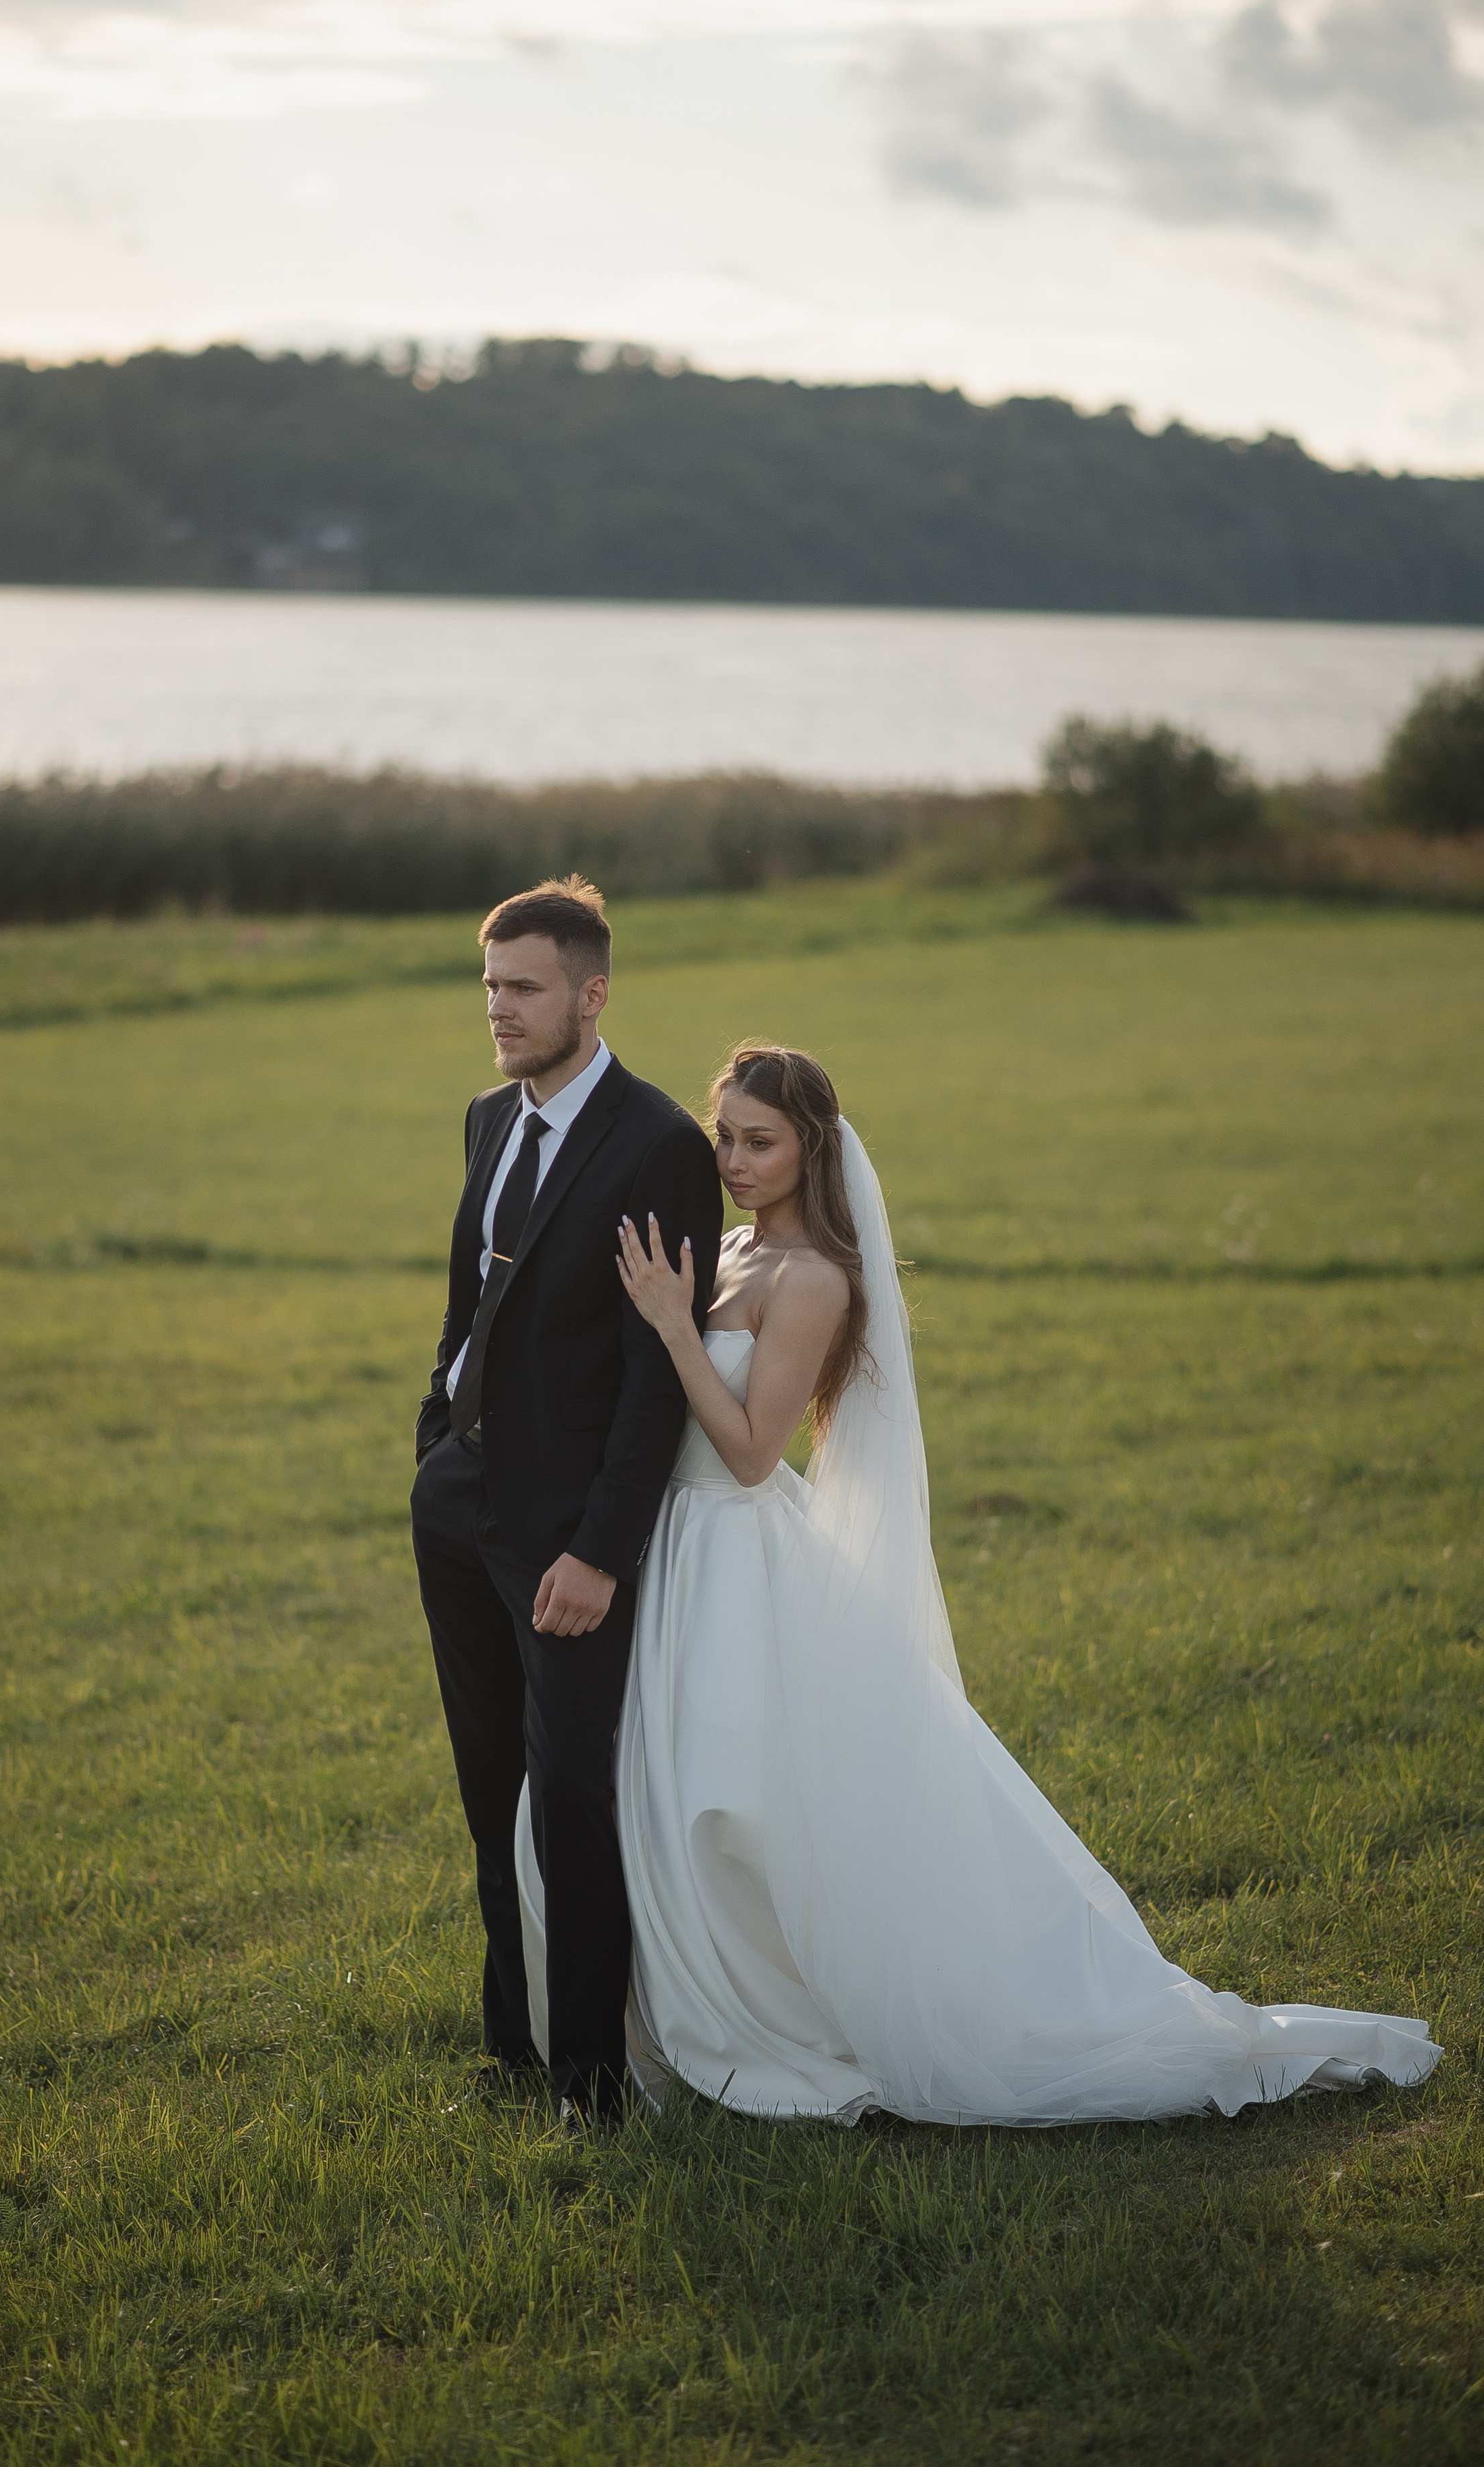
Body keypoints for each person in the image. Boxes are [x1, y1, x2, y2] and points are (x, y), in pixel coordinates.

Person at [519, 1042, 1440, 2125]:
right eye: (724, 1137)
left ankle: (780, 2021)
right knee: (653, 1802)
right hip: (669, 1551)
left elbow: (754, 1451)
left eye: (759, 1142)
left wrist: (676, 1329)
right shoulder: (720, 1249)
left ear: (813, 1149)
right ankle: (665, 2015)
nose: (733, 1160)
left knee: (735, 1806)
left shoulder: (812, 1279)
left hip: (736, 1550)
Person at [411, 878, 724, 2125]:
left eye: (524, 987)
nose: (501, 1009)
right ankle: (513, 2051)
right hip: (460, 1507)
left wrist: (602, 1551)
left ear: (592, 995)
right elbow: (465, 1307)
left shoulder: (658, 1145)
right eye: (490, 985)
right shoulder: (491, 1117)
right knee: (490, 1793)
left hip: (570, 1541)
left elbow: (660, 1376)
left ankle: (592, 2082)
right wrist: (436, 1440)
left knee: (574, 1801)